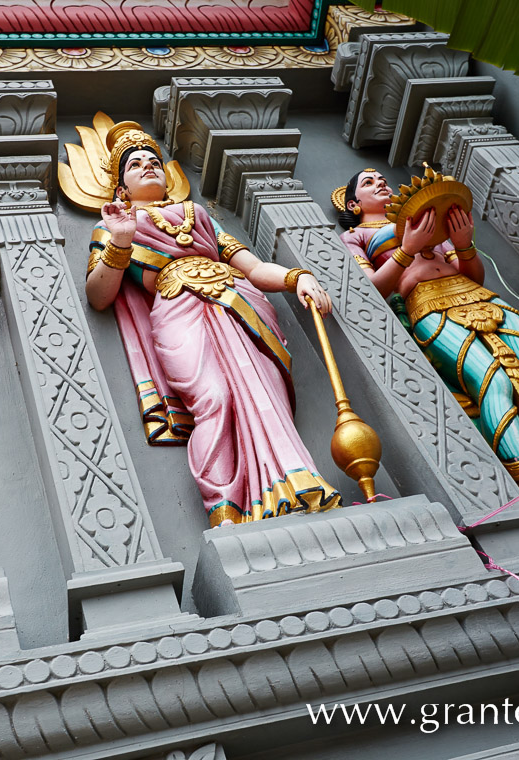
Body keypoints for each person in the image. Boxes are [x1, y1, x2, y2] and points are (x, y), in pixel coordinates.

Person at [80, 122, 342, 527]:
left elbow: (253, 268)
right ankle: (227, 512)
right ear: (122, 188)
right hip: (177, 309)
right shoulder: (116, 225)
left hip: (238, 302)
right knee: (213, 398)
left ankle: (296, 485)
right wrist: (120, 240)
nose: (149, 166)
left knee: (264, 392)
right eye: (136, 165)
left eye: (155, 161)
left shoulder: (197, 214)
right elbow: (98, 295)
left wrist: (297, 277)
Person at [334, 168, 519, 494]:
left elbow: (474, 275)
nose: (380, 183)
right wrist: (407, 249)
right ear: (353, 205)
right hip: (428, 306)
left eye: (382, 179)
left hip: (479, 296)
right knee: (492, 379)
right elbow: (372, 290)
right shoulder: (357, 236)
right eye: (368, 183)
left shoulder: (422, 220)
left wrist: (463, 245)